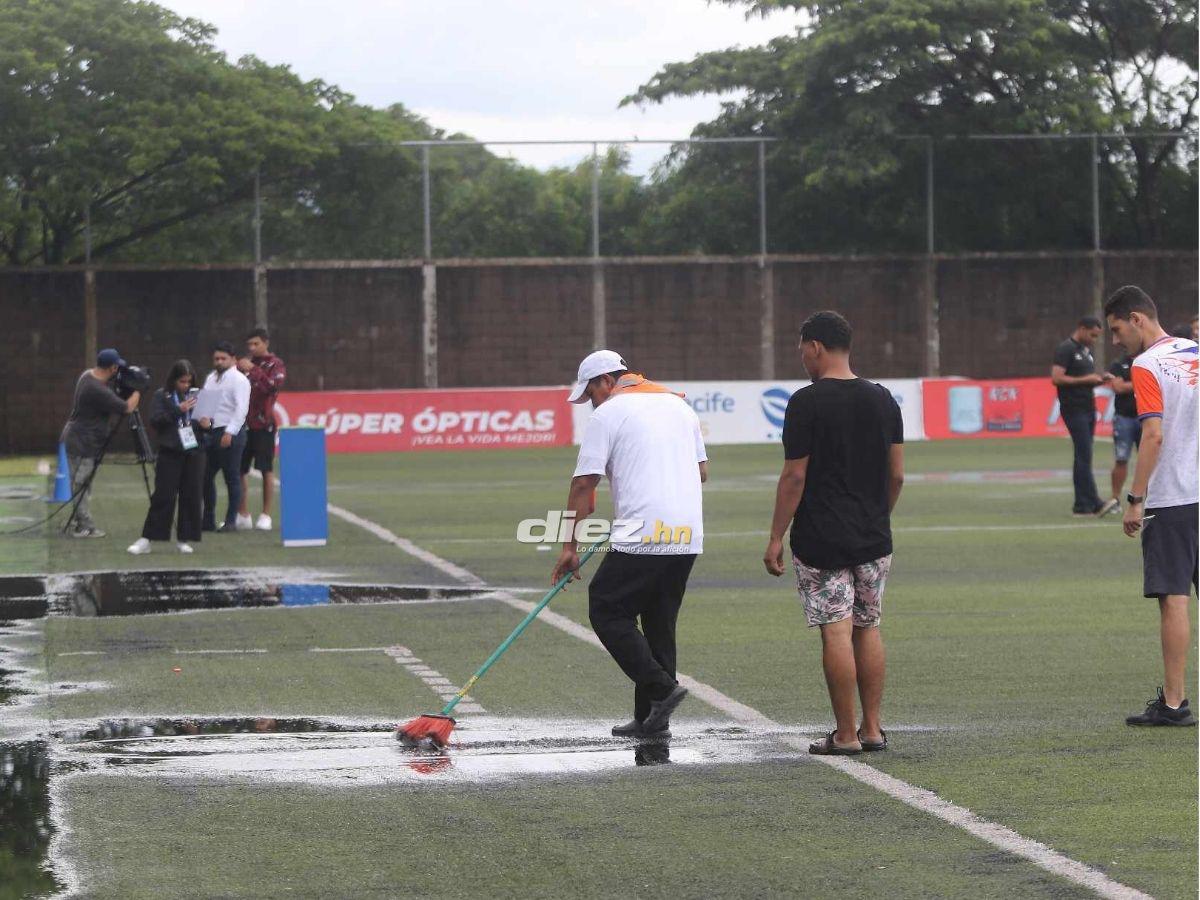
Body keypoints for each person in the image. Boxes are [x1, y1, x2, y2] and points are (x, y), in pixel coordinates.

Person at [763, 311, 904, 756]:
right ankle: (873, 729)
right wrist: (878, 516)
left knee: (836, 632)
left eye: (801, 348)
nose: (801, 357)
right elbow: (896, 474)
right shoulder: (884, 399)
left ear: (816, 346)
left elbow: (794, 477)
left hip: (822, 539)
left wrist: (775, 536)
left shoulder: (806, 402)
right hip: (873, 537)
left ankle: (844, 734)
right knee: (869, 627)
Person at [551, 349, 707, 739]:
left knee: (607, 608)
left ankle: (661, 689)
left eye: (591, 395)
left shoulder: (609, 413)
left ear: (606, 381)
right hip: (687, 533)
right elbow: (701, 471)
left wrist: (568, 547)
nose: (592, 405)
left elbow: (583, 484)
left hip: (644, 531)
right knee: (659, 621)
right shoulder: (678, 406)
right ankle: (652, 721)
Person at [1104, 286, 1198, 727]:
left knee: (1173, 599)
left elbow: (1154, 436)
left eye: (1118, 330)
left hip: (1173, 497)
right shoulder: (1194, 351)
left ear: (1137, 319)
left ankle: (1175, 703)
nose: (1116, 341)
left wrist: (1135, 500)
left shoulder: (1146, 365)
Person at [59, 348, 141, 538]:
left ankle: (77, 519)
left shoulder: (87, 375)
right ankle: (85, 526)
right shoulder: (96, 389)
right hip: (84, 442)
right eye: (117, 368)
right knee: (81, 484)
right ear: (112, 368)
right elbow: (127, 408)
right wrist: (138, 389)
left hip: (76, 437)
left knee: (80, 484)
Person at [127, 361, 204, 555]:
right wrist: (179, 410)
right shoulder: (162, 396)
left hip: (193, 451)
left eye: (188, 381)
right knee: (163, 495)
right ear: (174, 380)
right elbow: (156, 420)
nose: (185, 385)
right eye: (182, 381)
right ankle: (148, 538)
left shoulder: (198, 396)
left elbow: (208, 423)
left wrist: (207, 423)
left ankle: (183, 539)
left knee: (191, 496)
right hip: (170, 450)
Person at [1051, 316, 1117, 517]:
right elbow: (1057, 378)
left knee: (1084, 456)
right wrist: (1087, 379)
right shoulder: (1066, 349)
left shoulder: (1085, 352)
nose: (1094, 340)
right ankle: (1091, 503)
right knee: (1083, 455)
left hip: (1088, 408)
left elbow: (1083, 380)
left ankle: (1083, 504)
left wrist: (1098, 380)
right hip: (1074, 409)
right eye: (1092, 335)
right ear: (1081, 328)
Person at [193, 342, 251, 533]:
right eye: (216, 358)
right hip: (212, 432)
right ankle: (208, 519)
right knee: (206, 476)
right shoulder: (211, 378)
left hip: (230, 431)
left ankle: (231, 521)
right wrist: (203, 420)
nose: (219, 361)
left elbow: (241, 409)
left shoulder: (239, 380)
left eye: (223, 358)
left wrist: (230, 432)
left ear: (233, 359)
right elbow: (206, 403)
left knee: (231, 477)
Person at [235, 328, 287, 531]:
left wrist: (254, 371)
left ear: (265, 343)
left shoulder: (275, 364)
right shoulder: (243, 365)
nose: (252, 348)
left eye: (256, 344)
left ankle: (265, 515)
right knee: (239, 469)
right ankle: (243, 513)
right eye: (249, 345)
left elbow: (272, 387)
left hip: (263, 423)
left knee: (266, 469)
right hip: (242, 424)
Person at [1107, 352, 1141, 508]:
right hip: (1124, 418)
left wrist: (1129, 383)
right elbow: (1118, 387)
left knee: (1151, 459)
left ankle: (1153, 501)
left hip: (1146, 417)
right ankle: (1115, 499)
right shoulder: (1118, 364)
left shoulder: (1149, 359)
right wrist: (1142, 382)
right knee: (1121, 459)